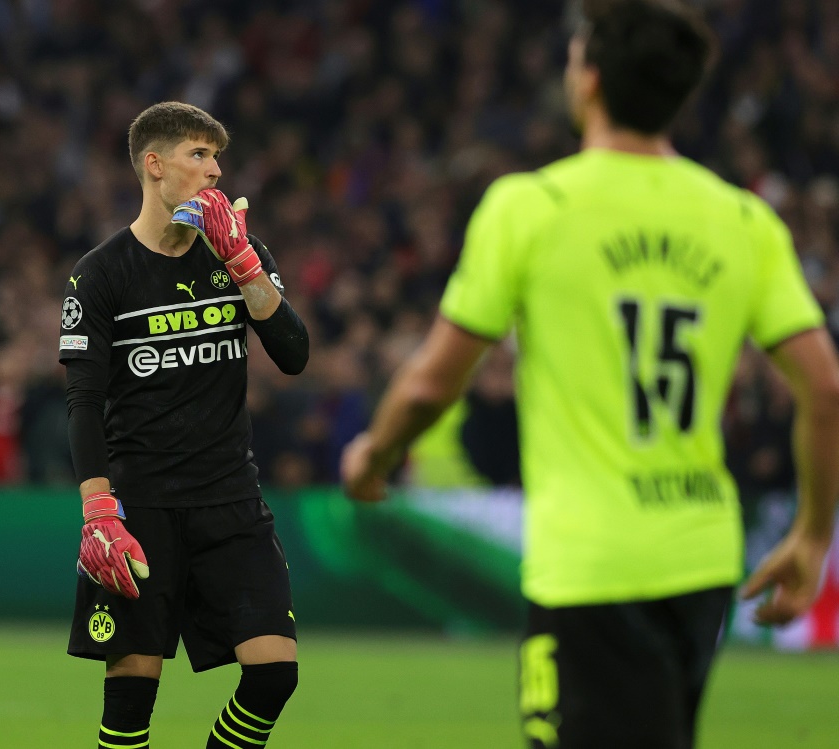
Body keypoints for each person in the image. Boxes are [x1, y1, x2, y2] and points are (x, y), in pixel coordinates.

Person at [340, 2, 839, 747]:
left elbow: (428, 385)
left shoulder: (531, 207)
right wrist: (811, 532)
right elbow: (824, 387)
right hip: (701, 555)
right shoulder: (742, 220)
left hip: (592, 563)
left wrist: (373, 455)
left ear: (591, 81)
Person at [59, 101, 308, 749]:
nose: (215, 171)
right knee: (130, 706)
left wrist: (246, 267)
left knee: (275, 671)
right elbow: (83, 401)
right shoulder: (101, 275)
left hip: (231, 500)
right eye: (199, 155)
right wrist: (99, 510)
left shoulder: (238, 252)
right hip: (141, 507)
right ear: (154, 164)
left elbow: (294, 353)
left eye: (217, 157)